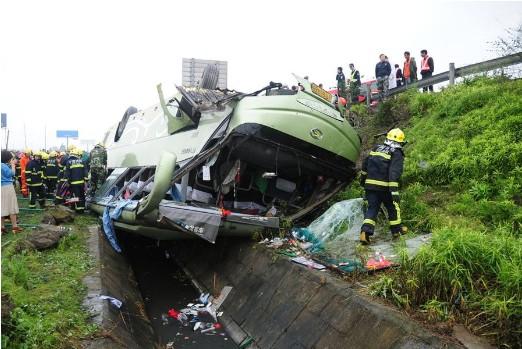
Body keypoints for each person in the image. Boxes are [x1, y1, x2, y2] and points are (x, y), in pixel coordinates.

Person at [359, 129, 406, 244]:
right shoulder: (397, 153)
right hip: (385, 188)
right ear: (400, 142)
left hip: (370, 186)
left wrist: (363, 180)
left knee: (372, 208)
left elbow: (365, 165)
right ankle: (397, 231)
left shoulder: (376, 148)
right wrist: (394, 192)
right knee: (392, 207)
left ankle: (365, 233)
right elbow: (394, 173)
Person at [2, 150, 22, 234]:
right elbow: (12, 174)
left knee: (1, 207)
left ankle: (2, 228)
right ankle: (15, 227)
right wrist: (13, 165)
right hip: (7, 187)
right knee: (12, 207)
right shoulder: (3, 166)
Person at [65, 147, 88, 213]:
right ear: (77, 155)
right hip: (81, 183)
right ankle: (81, 209)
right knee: (82, 195)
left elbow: (67, 173)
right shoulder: (82, 161)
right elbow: (85, 171)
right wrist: (86, 181)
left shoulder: (69, 162)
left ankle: (76, 209)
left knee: (75, 196)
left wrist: (67, 181)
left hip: (73, 183)